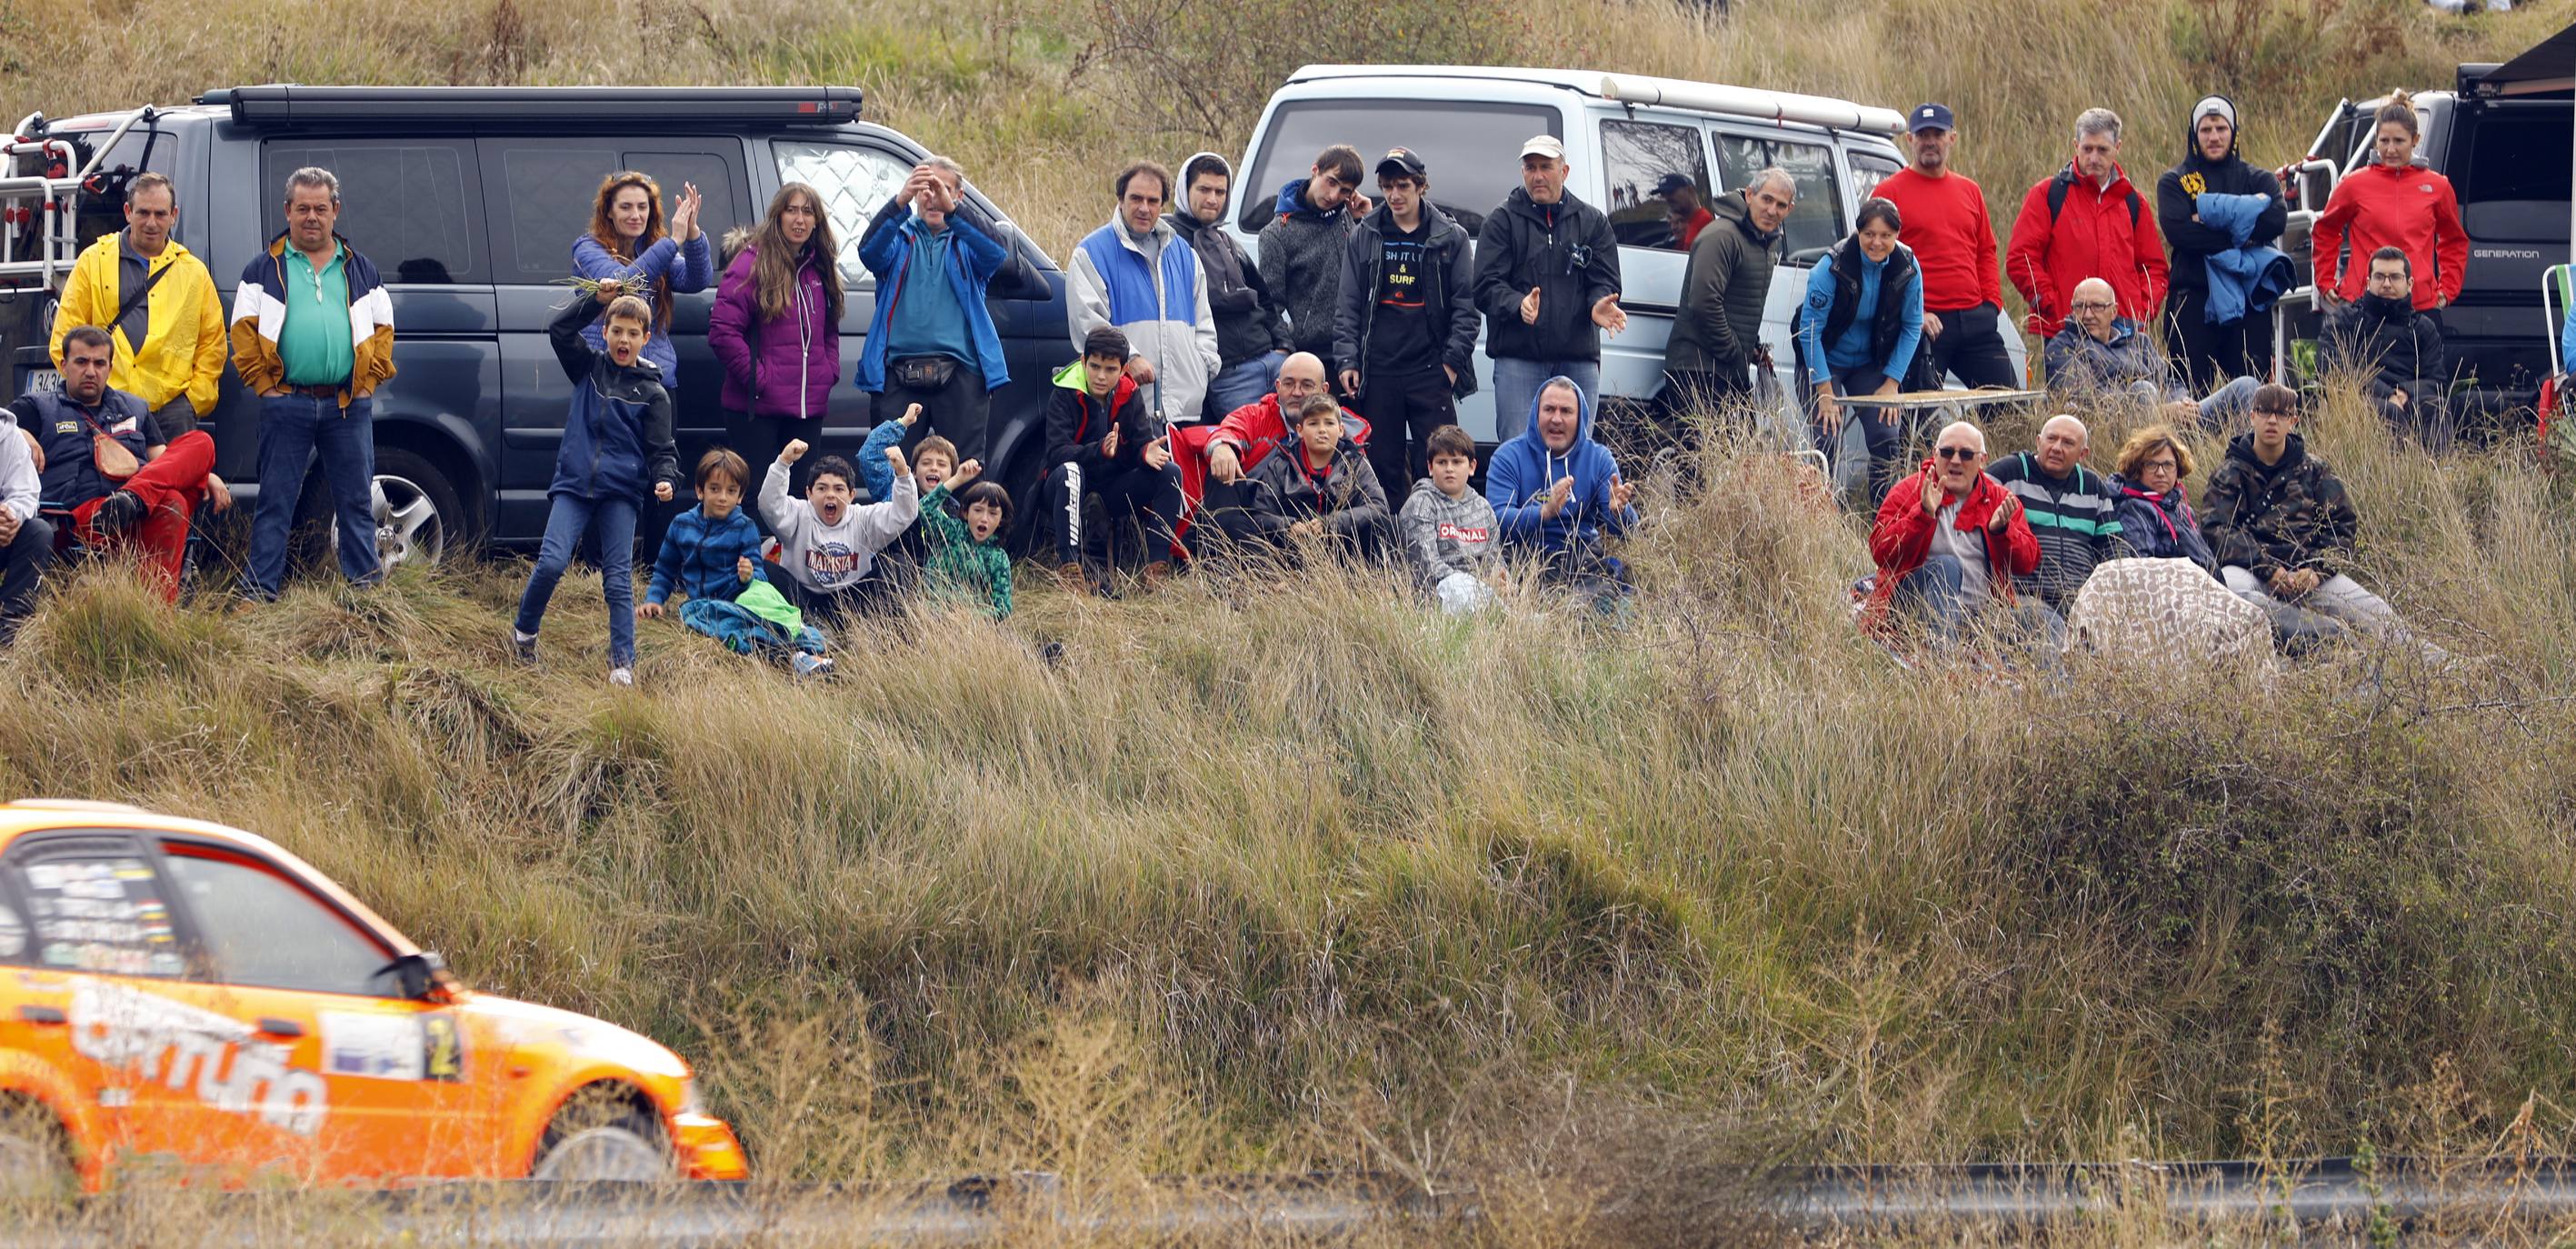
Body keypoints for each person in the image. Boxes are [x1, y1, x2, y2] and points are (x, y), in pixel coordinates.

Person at [231, 166, 393, 602]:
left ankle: (366, 593)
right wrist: (265, 387)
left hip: (346, 405)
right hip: (287, 404)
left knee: (356, 504)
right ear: (288, 211)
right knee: (275, 505)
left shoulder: (362, 270)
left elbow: (383, 332)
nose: (311, 217)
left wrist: (366, 387)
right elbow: (243, 334)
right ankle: (260, 593)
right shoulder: (263, 269)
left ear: (335, 211)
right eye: (302, 208)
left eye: (321, 208)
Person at [509, 290, 681, 686]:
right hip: (573, 485)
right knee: (551, 562)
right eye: (616, 331)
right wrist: (595, 298)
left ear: (646, 338)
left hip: (620, 493)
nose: (624, 340)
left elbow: (661, 450)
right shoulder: (587, 368)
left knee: (618, 579)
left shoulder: (654, 393)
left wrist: (666, 479)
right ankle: (524, 634)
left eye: (633, 333)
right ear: (604, 333)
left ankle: (622, 664)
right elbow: (559, 329)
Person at [2201, 385, 2436, 648]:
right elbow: (2216, 531)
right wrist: (2268, 570)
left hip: (2308, 576)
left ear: (2293, 420)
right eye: (2265, 411)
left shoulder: (2315, 469)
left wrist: (2316, 571)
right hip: (2252, 574)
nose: (2272, 420)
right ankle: (2314, 635)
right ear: (2252, 416)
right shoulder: (2229, 472)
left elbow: (2342, 527)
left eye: (2281, 414)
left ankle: (2440, 665)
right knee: (2229, 592)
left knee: (2378, 612)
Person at [21, 325, 226, 604]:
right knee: (172, 501)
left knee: (201, 443)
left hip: (142, 509)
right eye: (81, 362)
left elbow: (165, 460)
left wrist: (204, 474)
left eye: (99, 363)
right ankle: (155, 616)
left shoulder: (135, 407)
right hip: (84, 519)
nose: (91, 371)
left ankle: (133, 499)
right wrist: (19, 432)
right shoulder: (37, 407)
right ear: (63, 364)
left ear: (110, 366)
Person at [1334, 148, 1479, 508]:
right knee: (1382, 466)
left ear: (1421, 186)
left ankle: (1442, 538)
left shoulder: (1451, 237)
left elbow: (1467, 308)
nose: (1394, 195)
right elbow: (1348, 304)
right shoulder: (1364, 233)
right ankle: (1392, 549)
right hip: (1380, 370)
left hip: (1430, 369)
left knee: (1441, 462)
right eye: (1387, 187)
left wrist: (1450, 365)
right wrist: (1347, 361)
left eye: (1403, 185)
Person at [856, 156, 1012, 464]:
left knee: (964, 473)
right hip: (897, 374)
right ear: (914, 193)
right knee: (889, 469)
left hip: (962, 373)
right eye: (925, 189)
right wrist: (899, 201)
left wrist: (954, 213)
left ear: (958, 195)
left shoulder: (966, 241)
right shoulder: (899, 237)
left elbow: (996, 254)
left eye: (942, 189)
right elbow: (869, 254)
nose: (933, 197)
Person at [49, 173, 226, 437]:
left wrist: (191, 402)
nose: (151, 223)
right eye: (143, 213)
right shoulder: (93, 261)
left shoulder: (194, 273)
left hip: (172, 411)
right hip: (107, 405)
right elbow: (65, 335)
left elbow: (212, 345)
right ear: (128, 212)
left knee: (174, 480)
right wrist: (92, 395)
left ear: (173, 215)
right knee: (110, 480)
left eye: (160, 214)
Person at [1473, 135, 1625, 442]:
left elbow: (1604, 280)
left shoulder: (1592, 222)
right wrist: (1518, 304)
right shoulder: (1501, 221)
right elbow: (1485, 286)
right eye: (1530, 167)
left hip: (1577, 360)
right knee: (1519, 452)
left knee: (1576, 454)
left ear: (1565, 171)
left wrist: (1598, 304)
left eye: (1546, 167)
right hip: (1519, 358)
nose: (1538, 175)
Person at [644, 447, 832, 677]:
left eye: (731, 491)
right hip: (706, 603)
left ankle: (810, 648)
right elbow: (664, 569)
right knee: (734, 627)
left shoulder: (745, 527)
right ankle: (798, 657)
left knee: (763, 599)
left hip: (741, 593)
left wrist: (747, 576)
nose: (723, 497)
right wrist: (654, 599)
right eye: (715, 489)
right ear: (699, 491)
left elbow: (760, 575)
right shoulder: (681, 525)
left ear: (740, 496)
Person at [1872, 104, 2021, 390]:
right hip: (1924, 326)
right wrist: (1914, 314)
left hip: (1976, 321)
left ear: (1952, 138)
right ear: (1910, 139)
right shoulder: (1888, 193)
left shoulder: (1970, 190)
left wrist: (1991, 304)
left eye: (1937, 134)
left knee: (2009, 407)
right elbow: (1877, 261)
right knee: (1917, 422)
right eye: (1922, 134)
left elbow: (1986, 251)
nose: (1930, 141)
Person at [1861, 420, 2048, 646]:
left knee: (2047, 621)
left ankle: (2054, 683)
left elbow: (2028, 562)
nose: (1956, 460)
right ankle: (1943, 666)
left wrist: (2002, 532)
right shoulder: (1911, 489)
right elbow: (1881, 552)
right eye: (1947, 452)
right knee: (1946, 566)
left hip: (1981, 618)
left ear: (1982, 460)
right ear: (1935, 454)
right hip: (1911, 609)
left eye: (1967, 454)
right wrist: (1922, 514)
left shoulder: (2000, 499)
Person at [1068, 160, 1219, 425]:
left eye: (1153, 200)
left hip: (1186, 410)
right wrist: (1130, 358)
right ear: (1120, 199)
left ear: (1163, 205)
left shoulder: (1185, 255)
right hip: (1126, 407)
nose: (1144, 208)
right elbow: (1088, 326)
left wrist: (1202, 370)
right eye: (1136, 198)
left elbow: (1204, 323)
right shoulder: (1091, 253)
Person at [710, 183, 843, 483]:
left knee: (800, 503)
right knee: (759, 502)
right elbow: (722, 332)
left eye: (807, 212)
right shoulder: (750, 263)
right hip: (758, 409)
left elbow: (829, 328)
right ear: (777, 216)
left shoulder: (819, 267)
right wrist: (760, 379)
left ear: (816, 220)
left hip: (807, 408)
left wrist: (827, 371)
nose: (799, 219)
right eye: (791, 210)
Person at [1797, 198, 1924, 505]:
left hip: (1870, 365)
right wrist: (1824, 389)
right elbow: (1809, 331)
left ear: (1897, 235)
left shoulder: (1908, 266)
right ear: (1857, 232)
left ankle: (1884, 515)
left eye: (1885, 235)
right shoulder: (1830, 267)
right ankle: (1821, 516)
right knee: (1825, 436)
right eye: (1869, 234)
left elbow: (1912, 326)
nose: (1876, 242)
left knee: (1887, 434)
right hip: (1824, 361)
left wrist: (1892, 382)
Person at [2156, 96, 2287, 390]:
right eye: (2205, 130)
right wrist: (2244, 223)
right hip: (2193, 297)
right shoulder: (2174, 181)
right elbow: (2180, 232)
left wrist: (2207, 219)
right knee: (2189, 391)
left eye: (2220, 128)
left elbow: (2276, 220)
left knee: (2251, 389)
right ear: (2194, 134)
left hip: (2248, 300)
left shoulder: (2259, 179)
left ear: (2233, 132)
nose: (2213, 137)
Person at [2006, 108, 2169, 340]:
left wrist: (2141, 310)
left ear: (2117, 148)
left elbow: (2155, 268)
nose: (2094, 158)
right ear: (2075, 146)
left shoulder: (2133, 201)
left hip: (2124, 331)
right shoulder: (2048, 194)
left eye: (2102, 150)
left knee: (2136, 379)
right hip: (2066, 330)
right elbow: (2021, 259)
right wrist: (2051, 303)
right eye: (2087, 149)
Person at [1041, 326, 1181, 586]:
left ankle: (1157, 568)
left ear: (1124, 369)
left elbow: (1140, 443)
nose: (1101, 376)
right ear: (1084, 362)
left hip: (1111, 490)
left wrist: (1144, 451)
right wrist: (1099, 450)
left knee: (1170, 471)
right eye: (1094, 367)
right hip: (1065, 489)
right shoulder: (1063, 391)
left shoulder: (1130, 393)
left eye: (1110, 369)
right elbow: (1056, 454)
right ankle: (1070, 569)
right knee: (1070, 473)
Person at [2311, 93, 2465, 321]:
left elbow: (2454, 240)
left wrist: (2447, 289)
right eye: (2384, 141)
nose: (2391, 149)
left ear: (2415, 140)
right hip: (2362, 303)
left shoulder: (2437, 186)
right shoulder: (2354, 184)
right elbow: (2325, 230)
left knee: (2422, 359)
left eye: (2399, 141)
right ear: (2376, 140)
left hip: (2419, 306)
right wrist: (2325, 281)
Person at [1484, 376, 1638, 595]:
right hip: (1522, 555)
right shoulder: (1508, 456)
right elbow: (1495, 520)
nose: (1556, 419)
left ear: (1581, 417)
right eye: (1549, 409)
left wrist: (1619, 512)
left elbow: (1630, 533)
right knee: (1499, 585)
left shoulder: (1599, 458)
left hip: (1580, 555)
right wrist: (1543, 512)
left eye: (1566, 411)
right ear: (1536, 414)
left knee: (1608, 585)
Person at [2044, 276, 2260, 428]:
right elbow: (2084, 399)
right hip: (2124, 430)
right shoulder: (2062, 346)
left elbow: (2170, 381)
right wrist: (2161, 410)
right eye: (2080, 307)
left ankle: (2243, 465)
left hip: (2173, 419)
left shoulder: (2138, 340)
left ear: (2113, 311)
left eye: (2097, 306)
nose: (2088, 314)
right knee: (2143, 390)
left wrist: (2182, 403)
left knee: (2247, 386)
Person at [1663, 168, 1793, 417]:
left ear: (1790, 209)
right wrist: (1733, 350)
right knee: (1708, 455)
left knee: (1738, 453)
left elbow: (1739, 303)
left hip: (1727, 369)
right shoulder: (1722, 235)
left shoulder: (1763, 240)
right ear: (1749, 195)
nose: (1772, 210)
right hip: (1699, 369)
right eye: (1766, 199)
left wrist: (1752, 348)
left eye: (1781, 204)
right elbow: (1703, 303)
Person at [1170, 153, 1291, 419]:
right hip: (1230, 373)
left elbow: (1264, 299)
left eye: (1220, 191)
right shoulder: (1169, 241)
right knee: (1252, 454)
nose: (1213, 199)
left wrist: (1282, 345)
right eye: (1204, 189)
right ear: (1184, 190)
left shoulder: (1227, 241)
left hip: (1272, 360)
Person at [1203, 394, 1393, 560]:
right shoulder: (1282, 462)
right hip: (1292, 547)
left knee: (1384, 524)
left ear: (1341, 429)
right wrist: (1288, 526)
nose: (1322, 430)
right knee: (1238, 523)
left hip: (1341, 544)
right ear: (1300, 430)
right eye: (1313, 423)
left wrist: (1331, 523)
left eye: (1329, 423)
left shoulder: (1355, 461)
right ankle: (1273, 580)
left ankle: (1369, 584)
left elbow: (1378, 506)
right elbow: (1260, 513)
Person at [572, 170, 711, 387]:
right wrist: (673, 241)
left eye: (642, 207)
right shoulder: (588, 249)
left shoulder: (655, 247)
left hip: (655, 381)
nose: (635, 215)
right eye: (625, 207)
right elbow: (624, 283)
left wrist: (692, 233)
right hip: (609, 383)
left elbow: (696, 280)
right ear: (609, 211)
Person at [761, 440, 916, 626]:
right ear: (809, 493)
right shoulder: (798, 513)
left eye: (839, 489)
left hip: (850, 603)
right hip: (802, 601)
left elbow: (904, 514)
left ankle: (874, 632)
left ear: (851, 495)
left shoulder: (862, 517)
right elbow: (769, 505)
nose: (830, 495)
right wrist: (783, 463)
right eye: (822, 488)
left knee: (899, 565)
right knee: (765, 568)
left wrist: (903, 474)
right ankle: (811, 629)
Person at [1984, 415, 2121, 616]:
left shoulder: (2093, 487)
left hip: (2081, 598)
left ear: (2083, 454)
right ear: (2039, 441)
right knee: (2049, 623)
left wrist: (2109, 590)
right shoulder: (2008, 472)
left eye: (2067, 443)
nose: (2057, 448)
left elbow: (2113, 545)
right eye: (2051, 439)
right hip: (2022, 597)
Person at [2321, 247, 2450, 449]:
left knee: (2437, 407)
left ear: (2409, 284)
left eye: (2395, 277)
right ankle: (2396, 476)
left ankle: (2441, 474)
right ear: (2368, 282)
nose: (2387, 284)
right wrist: (2387, 395)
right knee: (2389, 412)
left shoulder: (2423, 327)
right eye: (2380, 276)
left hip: (2409, 397)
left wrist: (2404, 393)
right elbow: (2332, 369)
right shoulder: (2346, 319)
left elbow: (2437, 380)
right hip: (2362, 397)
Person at [1258, 145, 1372, 367]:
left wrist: (1366, 221)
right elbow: (1269, 307)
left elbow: (1372, 274)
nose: (1333, 196)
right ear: (1315, 171)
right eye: (1331, 182)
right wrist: (1288, 351)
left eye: (1345, 191)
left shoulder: (1347, 219)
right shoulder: (1276, 234)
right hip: (1313, 357)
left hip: (1359, 350)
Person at [1398, 424, 1505, 614]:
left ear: (1471, 467)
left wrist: (1503, 580)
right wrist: (1476, 588)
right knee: (1458, 587)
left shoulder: (1483, 508)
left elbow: (1494, 560)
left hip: (1483, 596)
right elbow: (1427, 567)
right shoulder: (1420, 503)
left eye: (1456, 462)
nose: (1449, 469)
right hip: (1436, 598)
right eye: (1442, 462)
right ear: (1430, 467)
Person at [2103, 424, 2218, 573]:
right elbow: (2141, 570)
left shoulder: (2183, 511)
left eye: (2168, 465)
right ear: (2137, 468)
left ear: (2178, 469)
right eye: (2151, 465)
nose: (2161, 473)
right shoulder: (2133, 509)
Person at [914, 459, 1014, 620]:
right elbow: (923, 508)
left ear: (1002, 520)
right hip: (931, 615)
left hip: (969, 625)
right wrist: (957, 480)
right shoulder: (952, 532)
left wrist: (968, 617)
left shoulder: (999, 557)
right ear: (966, 512)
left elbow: (1003, 608)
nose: (984, 519)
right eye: (978, 510)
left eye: (993, 513)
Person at [0, 400, 44, 642]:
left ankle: (9, 631)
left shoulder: (6, 432)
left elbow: (26, 493)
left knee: (38, 532)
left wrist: (10, 517)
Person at [1656, 173, 1713, 250]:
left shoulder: (1704, 221)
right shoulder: (1689, 225)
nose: (1667, 198)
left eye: (1670, 192)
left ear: (1689, 190)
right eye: (1663, 194)